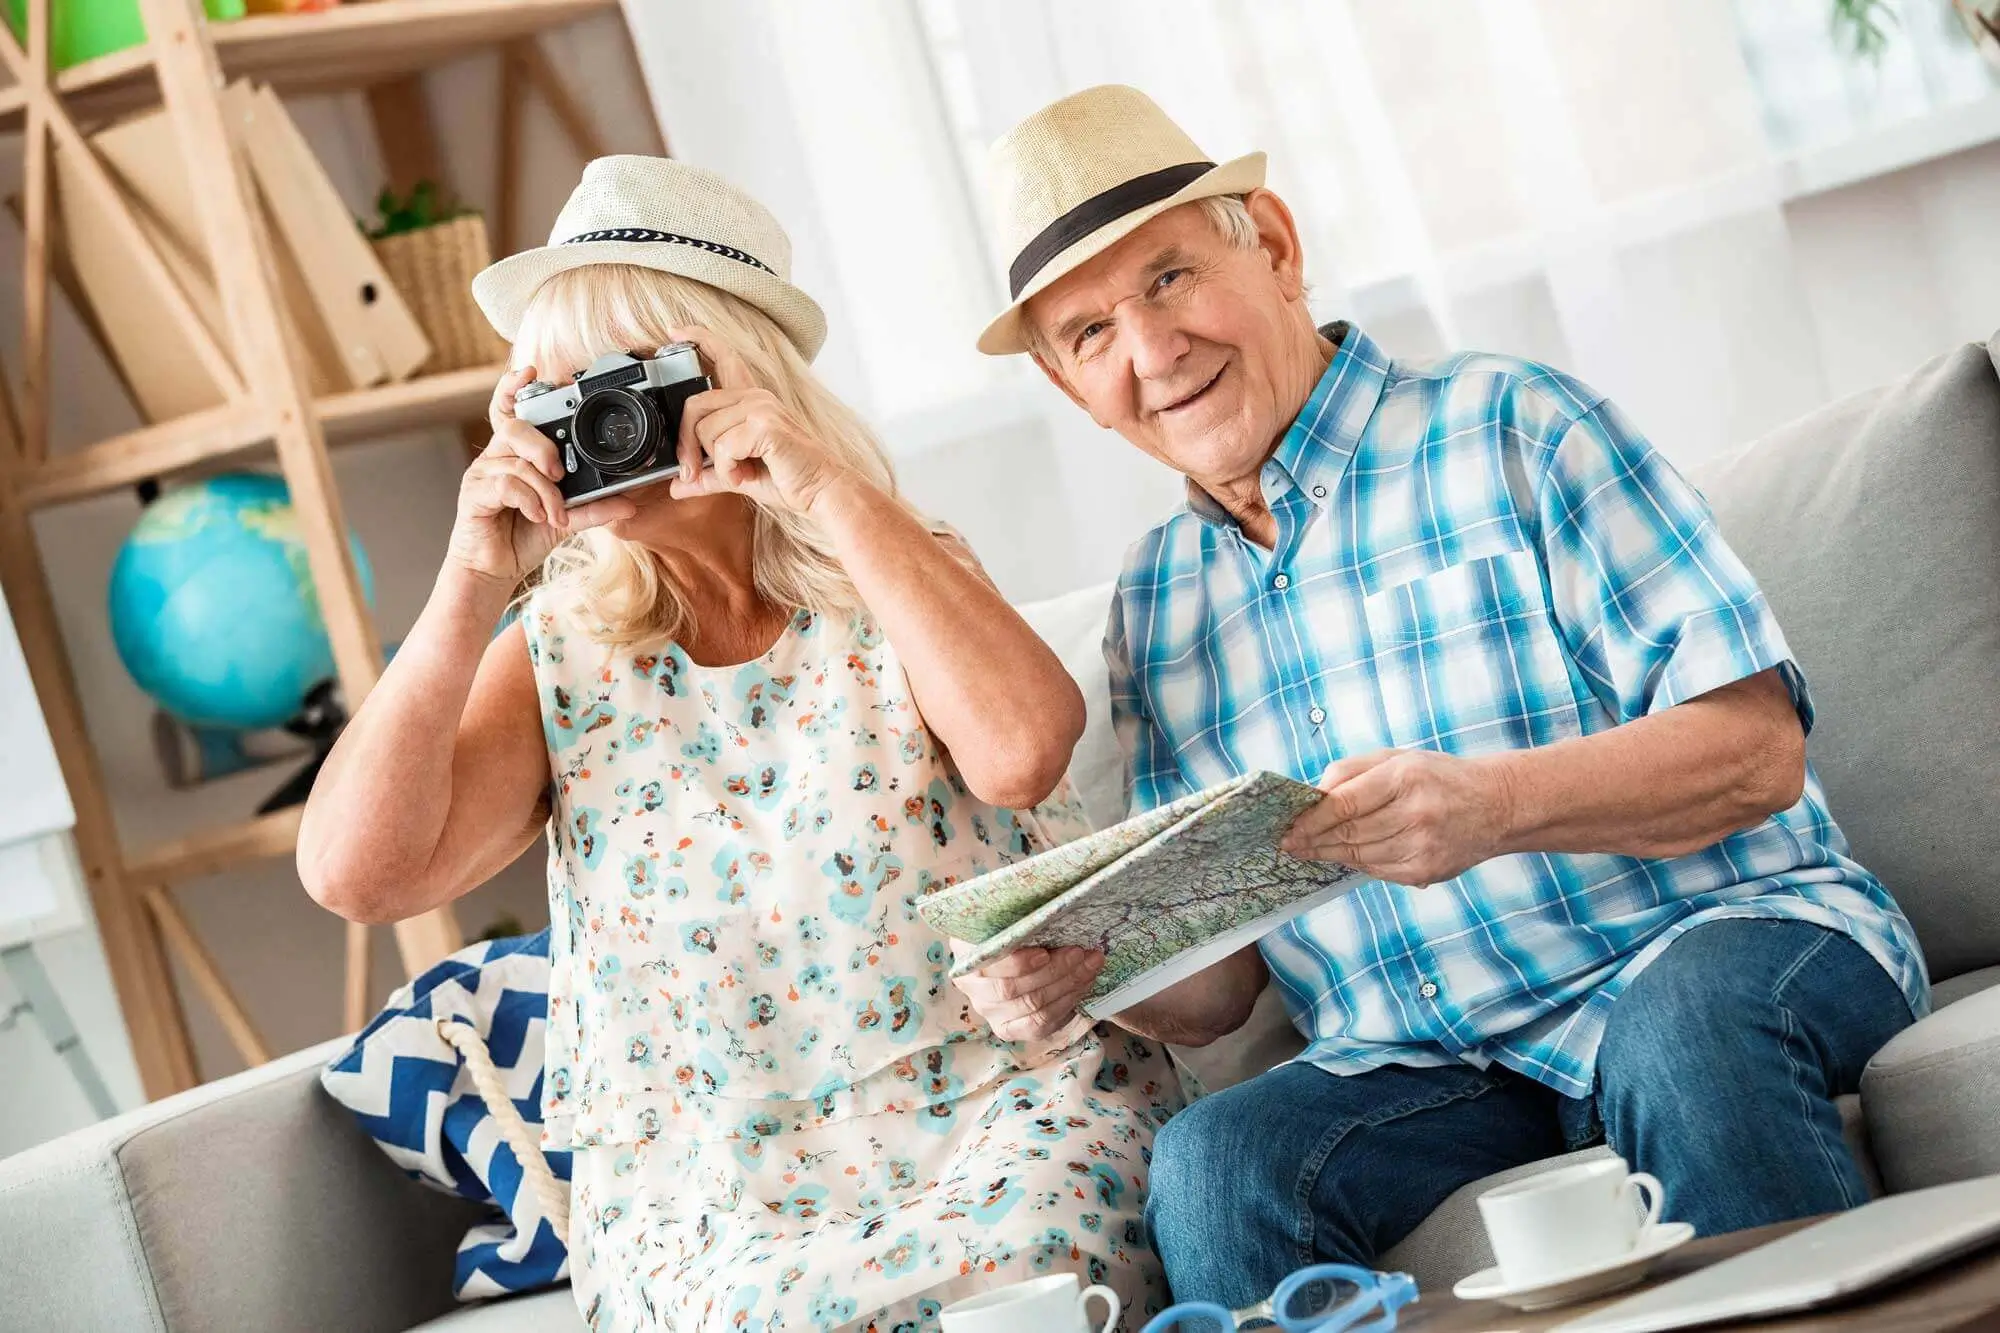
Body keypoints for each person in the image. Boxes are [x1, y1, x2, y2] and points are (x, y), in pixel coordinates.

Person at [955, 85, 1929, 1306]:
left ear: (1273, 245)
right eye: (1091, 333)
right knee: (1214, 1162)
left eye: (1166, 280)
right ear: (1065, 386)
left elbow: (1755, 755)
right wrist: (1090, 970)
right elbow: (1218, 990)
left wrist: (1497, 805)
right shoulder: (1155, 604)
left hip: (1723, 948)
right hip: (1426, 1068)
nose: (1152, 355)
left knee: (1680, 1035)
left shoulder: (1511, 423)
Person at [298, 155, 1179, 1332]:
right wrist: (469, 578)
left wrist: (821, 489)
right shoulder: (560, 652)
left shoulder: (888, 571)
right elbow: (356, 875)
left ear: (727, 374)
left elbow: (1021, 752)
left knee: (1017, 1277)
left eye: (616, 385)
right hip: (714, 1190)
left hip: (998, 1114)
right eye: (549, 397)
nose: (587, 429)